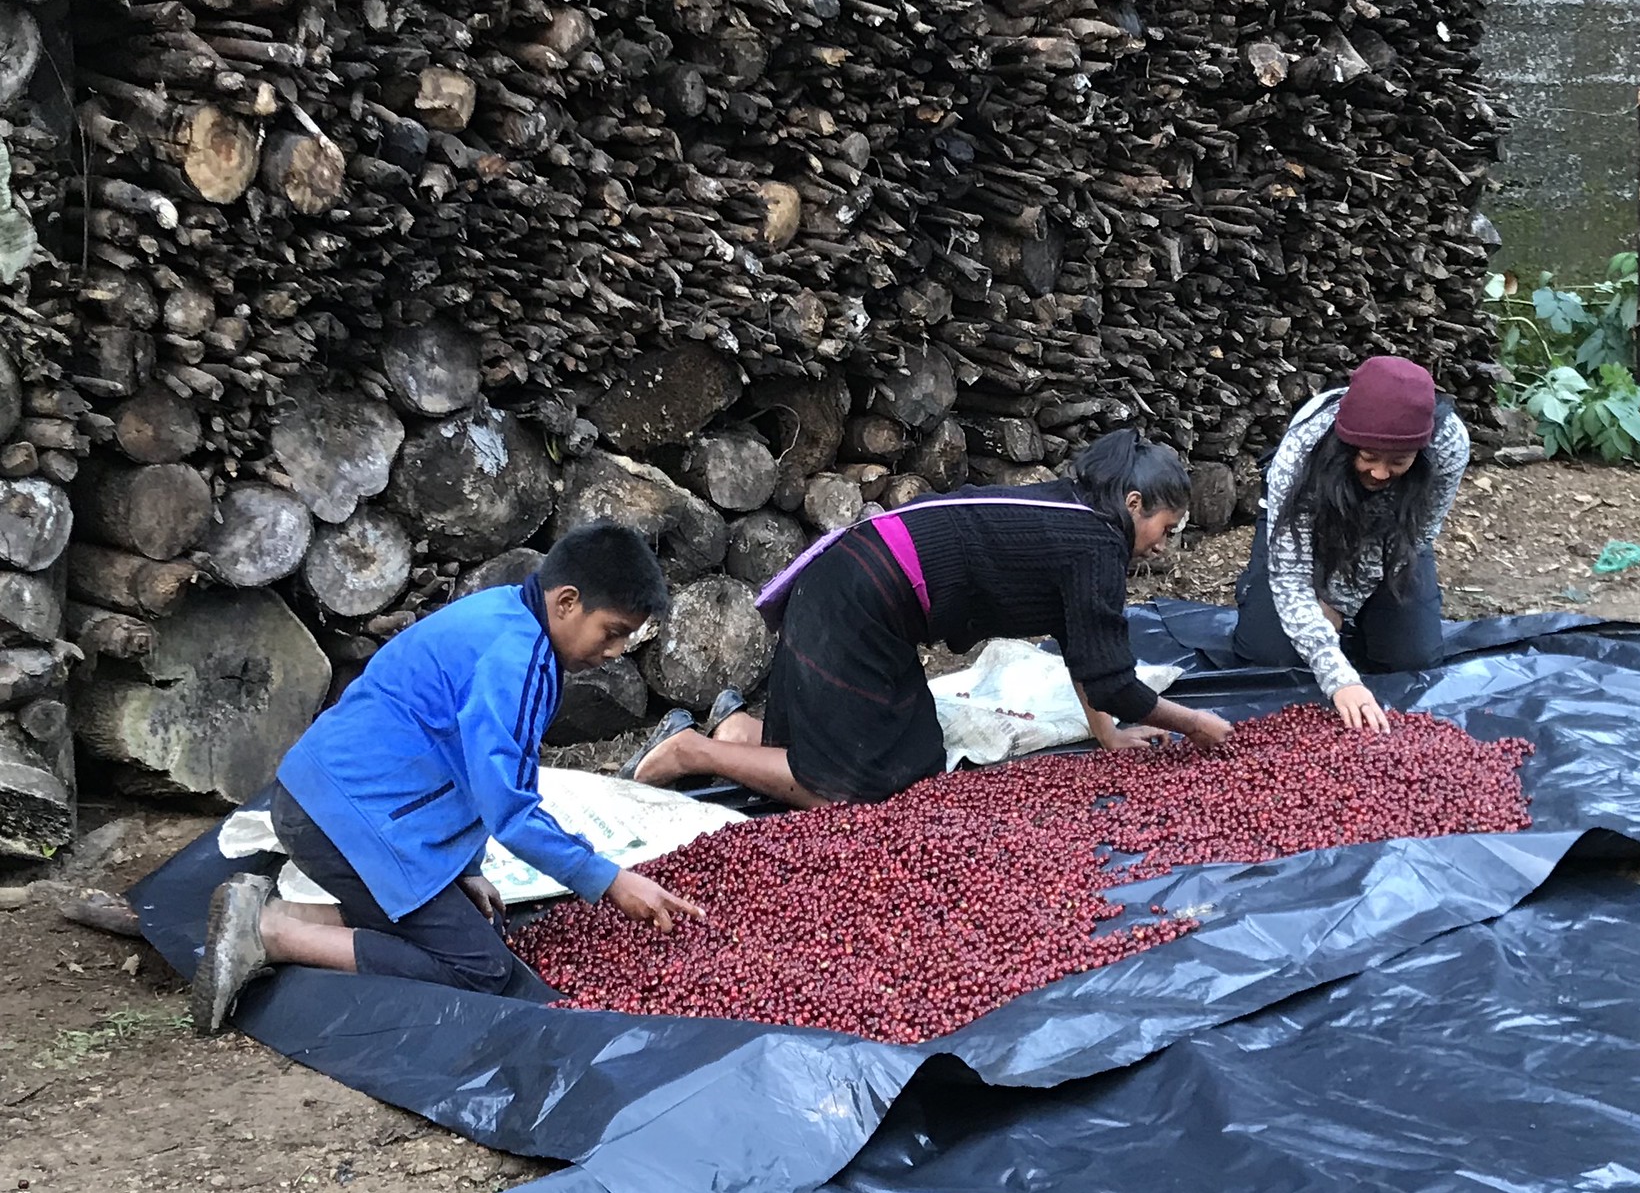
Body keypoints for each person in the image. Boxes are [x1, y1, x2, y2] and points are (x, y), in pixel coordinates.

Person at [190, 522, 702, 1035]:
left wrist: (466, 868)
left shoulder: (508, 615)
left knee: (468, 925)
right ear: (567, 602)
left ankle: (275, 913)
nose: (615, 651)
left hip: (331, 799)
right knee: (480, 969)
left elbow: (469, 764)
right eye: (612, 632)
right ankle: (268, 931)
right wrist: (609, 879)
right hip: (347, 820)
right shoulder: (517, 662)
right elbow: (512, 810)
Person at [630, 430, 1236, 808]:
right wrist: (1193, 724)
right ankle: (692, 752)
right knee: (855, 783)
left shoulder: (1077, 512)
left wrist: (1107, 735)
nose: (1163, 544)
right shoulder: (1096, 542)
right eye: (1164, 527)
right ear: (1134, 505)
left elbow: (1083, 642)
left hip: (854, 583)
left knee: (914, 751)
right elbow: (1113, 679)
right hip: (857, 599)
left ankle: (737, 734)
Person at [1231, 355, 1469, 732]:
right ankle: (1256, 591)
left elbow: (1419, 534)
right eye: (1368, 456)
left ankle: (1357, 617)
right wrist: (1337, 674)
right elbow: (1291, 571)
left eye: (1399, 462)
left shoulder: (1449, 443)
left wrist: (1341, 602)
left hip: (1393, 535)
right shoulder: (1304, 448)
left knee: (1411, 658)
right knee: (1268, 655)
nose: (1379, 472)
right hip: (1312, 527)